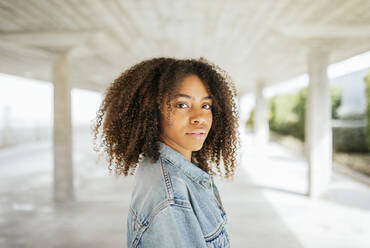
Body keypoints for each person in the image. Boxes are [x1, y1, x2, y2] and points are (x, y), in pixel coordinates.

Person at [92, 57, 240, 247]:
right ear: (152, 112)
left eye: (205, 105)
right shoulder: (171, 195)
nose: (199, 118)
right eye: (182, 105)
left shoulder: (167, 170)